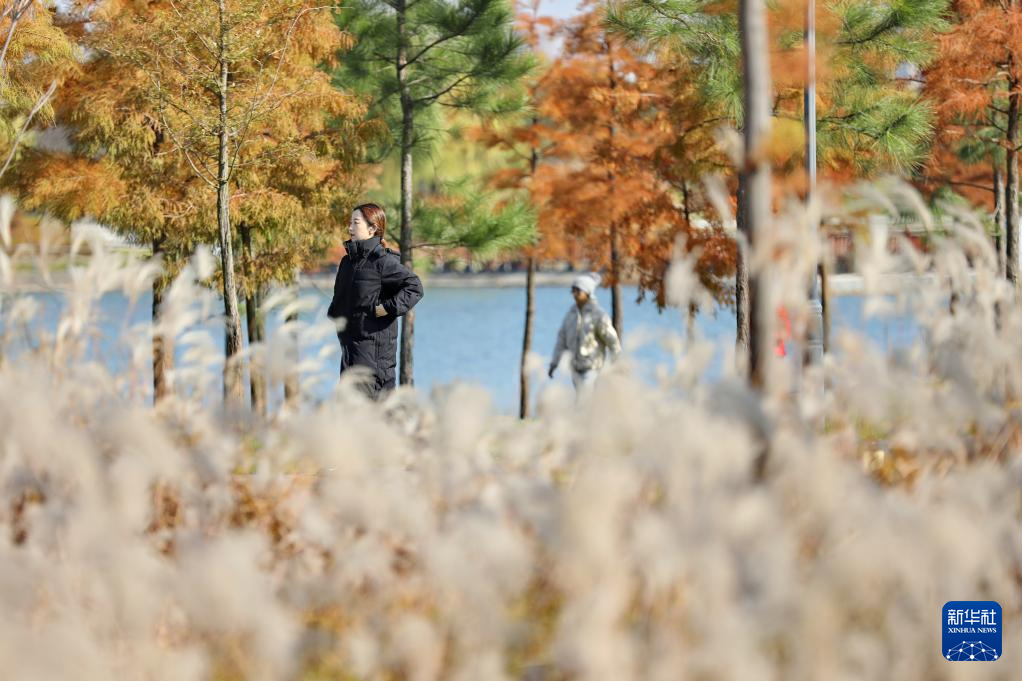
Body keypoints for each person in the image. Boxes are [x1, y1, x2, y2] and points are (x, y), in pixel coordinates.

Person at [327, 203, 423, 398]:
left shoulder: (383, 262)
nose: (350, 228)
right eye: (349, 223)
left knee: (372, 418)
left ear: (372, 229)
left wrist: (385, 308)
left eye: (355, 223)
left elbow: (414, 287)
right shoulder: (347, 263)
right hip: (349, 351)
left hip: (374, 358)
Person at [548, 273, 621, 395]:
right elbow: (561, 341)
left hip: (592, 368)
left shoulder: (598, 314)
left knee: (584, 400)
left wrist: (616, 362)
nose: (574, 294)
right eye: (573, 290)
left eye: (578, 291)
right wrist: (554, 363)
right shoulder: (571, 314)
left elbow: (612, 340)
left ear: (587, 292)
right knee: (582, 400)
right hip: (575, 368)